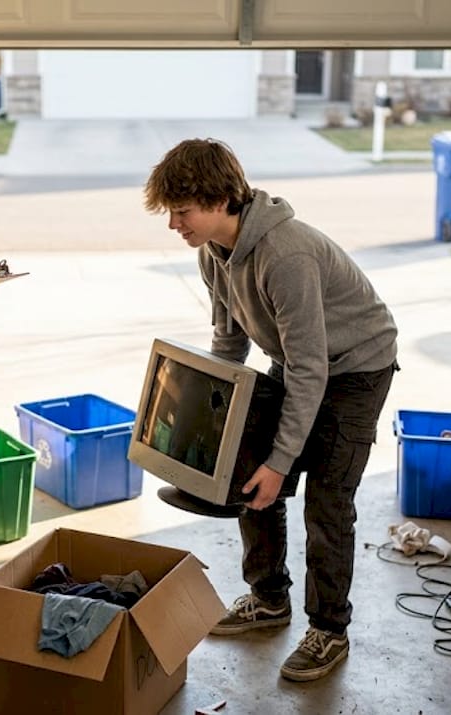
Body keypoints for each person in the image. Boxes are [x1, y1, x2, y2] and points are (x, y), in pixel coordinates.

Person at [143, 138, 398, 683]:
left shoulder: (286, 255)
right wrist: (220, 428)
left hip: (355, 369)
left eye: (181, 212)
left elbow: (312, 370)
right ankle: (268, 599)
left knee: (327, 501)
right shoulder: (214, 252)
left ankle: (329, 629)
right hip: (300, 359)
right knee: (250, 470)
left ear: (217, 200)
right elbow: (229, 342)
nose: (174, 225)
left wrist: (282, 460)